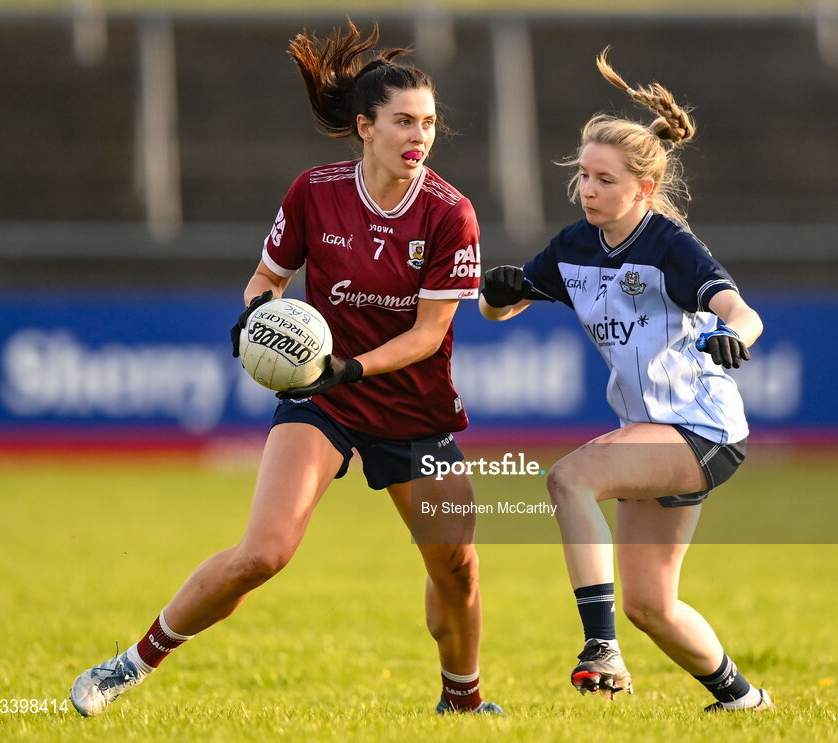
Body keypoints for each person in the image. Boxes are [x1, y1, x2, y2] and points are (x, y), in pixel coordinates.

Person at [70, 21, 502, 717]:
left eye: (427, 122)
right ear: (365, 126)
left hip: (407, 398)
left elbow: (429, 335)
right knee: (263, 552)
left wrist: (349, 366)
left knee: (455, 565)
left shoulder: (450, 213)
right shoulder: (314, 192)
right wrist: (255, 318)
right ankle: (124, 666)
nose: (418, 136)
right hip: (322, 398)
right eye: (402, 122)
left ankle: (464, 701)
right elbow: (266, 279)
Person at [479, 47, 773, 712]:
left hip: (702, 427)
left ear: (642, 189)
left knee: (569, 477)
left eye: (605, 179)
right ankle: (744, 700)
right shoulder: (575, 245)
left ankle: (599, 649)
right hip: (655, 431)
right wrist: (496, 294)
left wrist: (737, 336)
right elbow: (506, 304)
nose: (588, 189)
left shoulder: (669, 244)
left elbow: (741, 312)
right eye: (583, 175)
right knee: (651, 604)